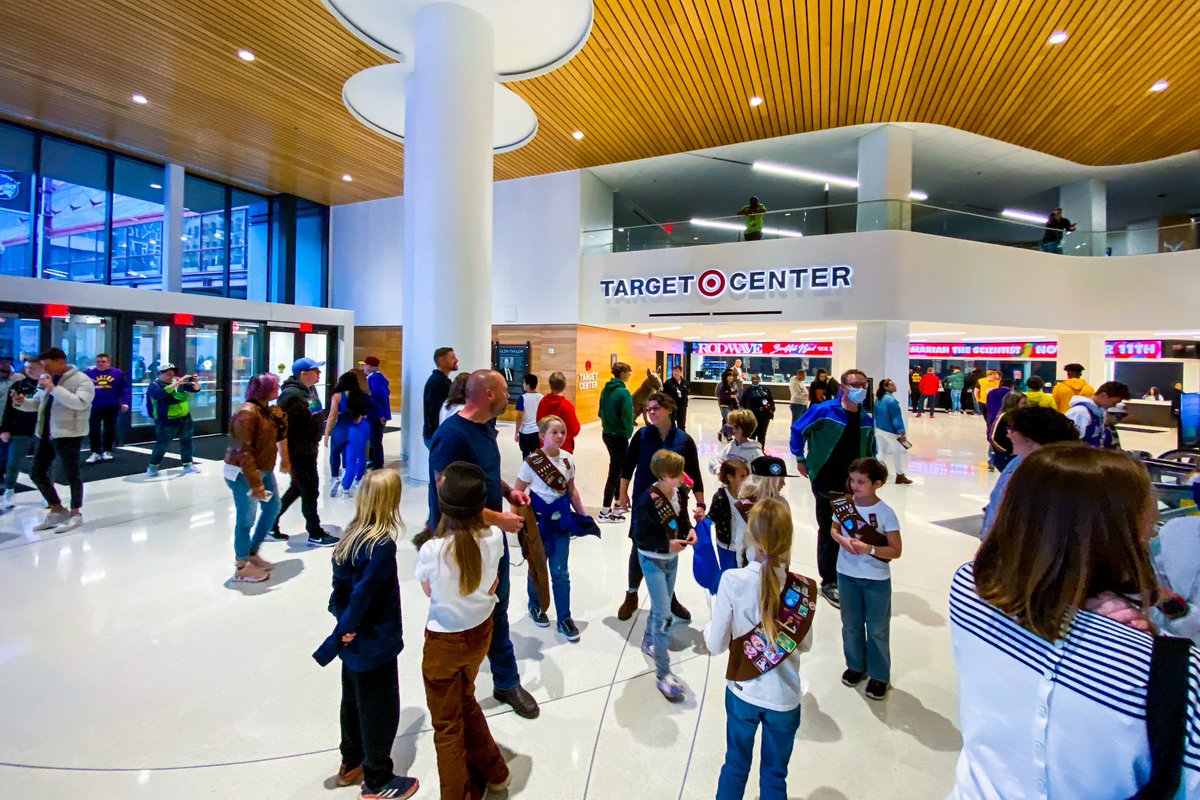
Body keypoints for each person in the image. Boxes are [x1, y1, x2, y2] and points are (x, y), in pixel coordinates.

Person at [949, 444, 1200, 798]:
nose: (1155, 536)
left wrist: (1083, 600)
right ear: (1116, 541)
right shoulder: (1167, 670)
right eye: (1145, 533)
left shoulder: (968, 590)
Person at [427, 369, 539, 720]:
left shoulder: (485, 428)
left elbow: (485, 474)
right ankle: (459, 689)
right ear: (488, 394)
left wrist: (507, 491)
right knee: (468, 614)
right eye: (505, 390)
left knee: (498, 605)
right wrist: (499, 519)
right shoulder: (451, 437)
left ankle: (505, 681)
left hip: (490, 539)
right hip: (462, 543)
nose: (511, 396)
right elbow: (449, 500)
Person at [315, 469, 419, 800]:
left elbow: (339, 594)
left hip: (353, 643)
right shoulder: (381, 546)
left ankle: (351, 761)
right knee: (380, 707)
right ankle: (377, 779)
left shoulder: (350, 537)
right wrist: (348, 627)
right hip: (374, 641)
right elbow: (364, 594)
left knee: (353, 701)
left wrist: (343, 626)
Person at [416, 462, 511, 798]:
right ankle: (495, 770)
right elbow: (492, 580)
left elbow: (428, 590)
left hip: (444, 642)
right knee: (466, 699)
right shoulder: (496, 537)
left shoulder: (433, 550)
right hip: (480, 632)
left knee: (446, 726)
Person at [705, 498, 810, 800]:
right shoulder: (802, 588)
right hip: (785, 698)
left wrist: (709, 629)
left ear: (750, 536)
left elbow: (716, 645)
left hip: (743, 691)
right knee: (776, 776)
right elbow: (806, 643)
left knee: (736, 764)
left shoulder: (733, 581)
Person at [791, 368, 877, 607]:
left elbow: (871, 448)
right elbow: (798, 430)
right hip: (826, 480)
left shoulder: (865, 418)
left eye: (863, 384)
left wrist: (873, 476)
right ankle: (829, 580)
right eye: (854, 384)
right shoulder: (823, 411)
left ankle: (847, 573)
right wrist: (800, 458)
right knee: (830, 529)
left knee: (852, 527)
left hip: (855, 484)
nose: (859, 388)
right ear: (843, 386)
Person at [617, 392, 705, 622]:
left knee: (668, 549)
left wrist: (701, 503)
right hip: (644, 503)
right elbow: (627, 467)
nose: (651, 412)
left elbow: (694, 473)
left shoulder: (684, 440)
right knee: (638, 546)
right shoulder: (642, 435)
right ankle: (631, 594)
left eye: (656, 408)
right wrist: (622, 493)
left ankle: (668, 596)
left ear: (669, 409)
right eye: (649, 409)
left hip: (673, 503)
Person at [513, 415, 592, 642]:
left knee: (560, 571)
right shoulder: (531, 463)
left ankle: (565, 617)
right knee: (537, 567)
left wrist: (583, 515)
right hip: (537, 526)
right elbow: (517, 493)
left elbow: (572, 490)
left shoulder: (568, 460)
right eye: (555, 432)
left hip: (561, 525)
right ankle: (535, 604)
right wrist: (515, 520)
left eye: (563, 432)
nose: (560, 436)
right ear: (542, 436)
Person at [834, 458, 902, 701]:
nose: (855, 486)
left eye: (861, 482)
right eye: (852, 480)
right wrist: (842, 540)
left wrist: (870, 549)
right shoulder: (843, 505)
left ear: (877, 484)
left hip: (876, 579)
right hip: (846, 574)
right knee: (850, 624)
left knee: (877, 628)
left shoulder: (886, 513)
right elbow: (834, 529)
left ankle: (879, 675)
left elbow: (895, 550)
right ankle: (855, 665)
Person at [632, 449, 697, 701]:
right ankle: (663, 673)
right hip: (652, 560)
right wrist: (666, 545)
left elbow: (682, 519)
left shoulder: (678, 493)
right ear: (665, 474)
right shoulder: (647, 500)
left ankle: (648, 640)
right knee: (663, 613)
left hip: (671, 560)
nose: (683, 477)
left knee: (662, 606)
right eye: (678, 473)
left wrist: (690, 530)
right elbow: (640, 536)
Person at [224, 373, 287, 583]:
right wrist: (255, 483)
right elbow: (243, 452)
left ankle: (251, 552)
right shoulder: (247, 413)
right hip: (245, 474)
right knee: (246, 519)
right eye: (275, 385)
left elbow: (277, 436)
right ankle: (242, 565)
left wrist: (281, 418)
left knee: (273, 506)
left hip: (263, 469)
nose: (278, 388)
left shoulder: (265, 410)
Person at [980, 406, 1079, 537]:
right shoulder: (1016, 463)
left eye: (1012, 430)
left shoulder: (1057, 475)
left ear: (1030, 436)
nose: (1008, 435)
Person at [272, 357, 338, 547]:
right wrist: (284, 456)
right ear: (303, 373)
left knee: (297, 489)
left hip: (309, 448)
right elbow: (281, 426)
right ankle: (315, 532)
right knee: (309, 490)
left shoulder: (309, 390)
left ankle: (270, 522)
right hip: (298, 451)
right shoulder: (290, 395)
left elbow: (314, 414)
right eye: (315, 370)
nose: (319, 374)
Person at [28, 347, 94, 534]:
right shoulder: (48, 381)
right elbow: (38, 404)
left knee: (71, 473)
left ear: (61, 361)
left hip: (69, 433)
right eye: (43, 367)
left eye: (48, 366)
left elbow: (80, 403)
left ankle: (75, 513)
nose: (45, 370)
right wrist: (21, 403)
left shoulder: (82, 380)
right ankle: (57, 508)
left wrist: (54, 389)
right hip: (46, 433)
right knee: (37, 472)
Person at [145, 363, 200, 476]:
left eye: (173, 373)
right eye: (168, 374)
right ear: (160, 374)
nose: (171, 376)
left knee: (187, 441)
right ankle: (153, 466)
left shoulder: (177, 381)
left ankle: (188, 464)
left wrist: (195, 382)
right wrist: (179, 383)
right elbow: (159, 394)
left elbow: (195, 389)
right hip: (166, 420)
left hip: (184, 418)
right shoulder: (154, 385)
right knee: (162, 444)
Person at [0, 356, 41, 509]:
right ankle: (9, 490)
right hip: (20, 430)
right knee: (13, 462)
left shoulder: (48, 385)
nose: (29, 370)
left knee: (44, 465)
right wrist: (5, 429)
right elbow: (9, 410)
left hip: (42, 430)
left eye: (32, 368)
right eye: (27, 367)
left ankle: (47, 494)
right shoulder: (18, 385)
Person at [325, 370, 370, 498]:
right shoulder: (360, 395)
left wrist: (327, 433)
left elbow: (332, 416)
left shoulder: (337, 396)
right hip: (355, 429)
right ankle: (346, 475)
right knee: (350, 456)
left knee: (334, 453)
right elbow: (364, 413)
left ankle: (334, 477)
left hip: (341, 428)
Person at [599, 362, 634, 523]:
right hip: (619, 435)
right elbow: (628, 416)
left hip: (606, 434)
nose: (630, 374)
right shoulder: (624, 393)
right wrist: (628, 432)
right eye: (628, 372)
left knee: (617, 468)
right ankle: (605, 510)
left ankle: (618, 503)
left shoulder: (605, 390)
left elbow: (600, 412)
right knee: (615, 472)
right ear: (622, 373)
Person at [84, 353, 129, 463]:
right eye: (98, 361)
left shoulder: (117, 374)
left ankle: (107, 450)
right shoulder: (89, 374)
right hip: (94, 406)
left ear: (108, 362)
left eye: (103, 361)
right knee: (94, 429)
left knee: (110, 429)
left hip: (111, 406)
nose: (100, 364)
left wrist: (125, 402)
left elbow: (125, 389)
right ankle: (95, 452)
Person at [708, 459, 751, 571]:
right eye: (742, 476)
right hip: (726, 546)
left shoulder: (750, 496)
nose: (746, 480)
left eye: (747, 476)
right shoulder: (720, 497)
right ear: (730, 478)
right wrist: (702, 520)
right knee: (728, 575)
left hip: (746, 546)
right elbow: (712, 516)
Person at [1065, 380, 1131, 450]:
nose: (1113, 406)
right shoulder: (1080, 412)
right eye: (1113, 402)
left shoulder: (1098, 412)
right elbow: (1069, 442)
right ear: (1103, 395)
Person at [873, 379, 912, 484]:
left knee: (881, 452)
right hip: (890, 431)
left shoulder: (879, 399)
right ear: (886, 387)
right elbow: (896, 418)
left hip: (880, 429)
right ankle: (900, 475)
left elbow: (875, 415)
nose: (894, 386)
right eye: (891, 384)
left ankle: (874, 473)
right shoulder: (891, 401)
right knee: (897, 453)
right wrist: (901, 431)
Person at [535, 371, 581, 452]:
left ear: (550, 385)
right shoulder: (567, 406)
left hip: (546, 445)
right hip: (564, 448)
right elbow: (574, 430)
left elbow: (539, 423)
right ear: (564, 386)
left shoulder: (543, 402)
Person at [422, 346, 458, 449]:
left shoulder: (443, 381)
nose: (456, 360)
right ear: (441, 360)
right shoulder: (437, 383)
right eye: (452, 358)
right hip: (437, 435)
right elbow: (437, 412)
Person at [360, 356, 391, 471]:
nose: (363, 367)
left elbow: (379, 398)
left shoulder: (374, 380)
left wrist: (381, 414)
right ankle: (373, 461)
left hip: (376, 415)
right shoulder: (374, 378)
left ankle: (378, 463)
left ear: (370, 366)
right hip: (375, 415)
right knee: (373, 439)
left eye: (365, 365)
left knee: (376, 440)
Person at [988, 391, 1027, 471]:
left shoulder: (1023, 417)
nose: (1027, 405)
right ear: (1014, 404)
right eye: (1023, 403)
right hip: (1005, 456)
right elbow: (993, 437)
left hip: (1019, 454)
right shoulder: (1003, 418)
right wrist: (1007, 451)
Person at [740, 374, 776, 448]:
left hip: (764, 416)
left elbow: (771, 402)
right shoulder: (748, 391)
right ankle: (751, 450)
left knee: (762, 434)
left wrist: (771, 410)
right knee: (752, 433)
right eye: (753, 379)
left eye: (756, 379)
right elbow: (742, 403)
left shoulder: (765, 390)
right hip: (752, 416)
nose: (755, 381)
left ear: (759, 380)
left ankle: (761, 450)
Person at [513, 373, 543, 459]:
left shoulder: (522, 398)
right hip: (537, 431)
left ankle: (527, 472)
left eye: (524, 383)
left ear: (528, 385)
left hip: (525, 432)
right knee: (537, 457)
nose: (523, 384)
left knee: (525, 455)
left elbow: (519, 417)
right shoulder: (542, 398)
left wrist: (516, 432)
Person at [663, 365, 690, 431]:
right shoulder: (668, 382)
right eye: (674, 371)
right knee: (671, 424)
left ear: (681, 372)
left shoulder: (685, 382)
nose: (676, 373)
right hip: (672, 406)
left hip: (682, 406)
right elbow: (664, 394)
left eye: (677, 371)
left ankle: (682, 438)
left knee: (681, 425)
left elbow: (687, 392)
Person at [717, 369, 740, 440]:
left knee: (728, 422)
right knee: (730, 421)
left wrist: (735, 397)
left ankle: (721, 432)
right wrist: (731, 396)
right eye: (729, 376)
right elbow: (721, 396)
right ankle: (728, 435)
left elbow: (736, 393)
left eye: (732, 376)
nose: (731, 378)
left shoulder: (733, 385)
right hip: (724, 407)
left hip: (732, 406)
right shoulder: (722, 386)